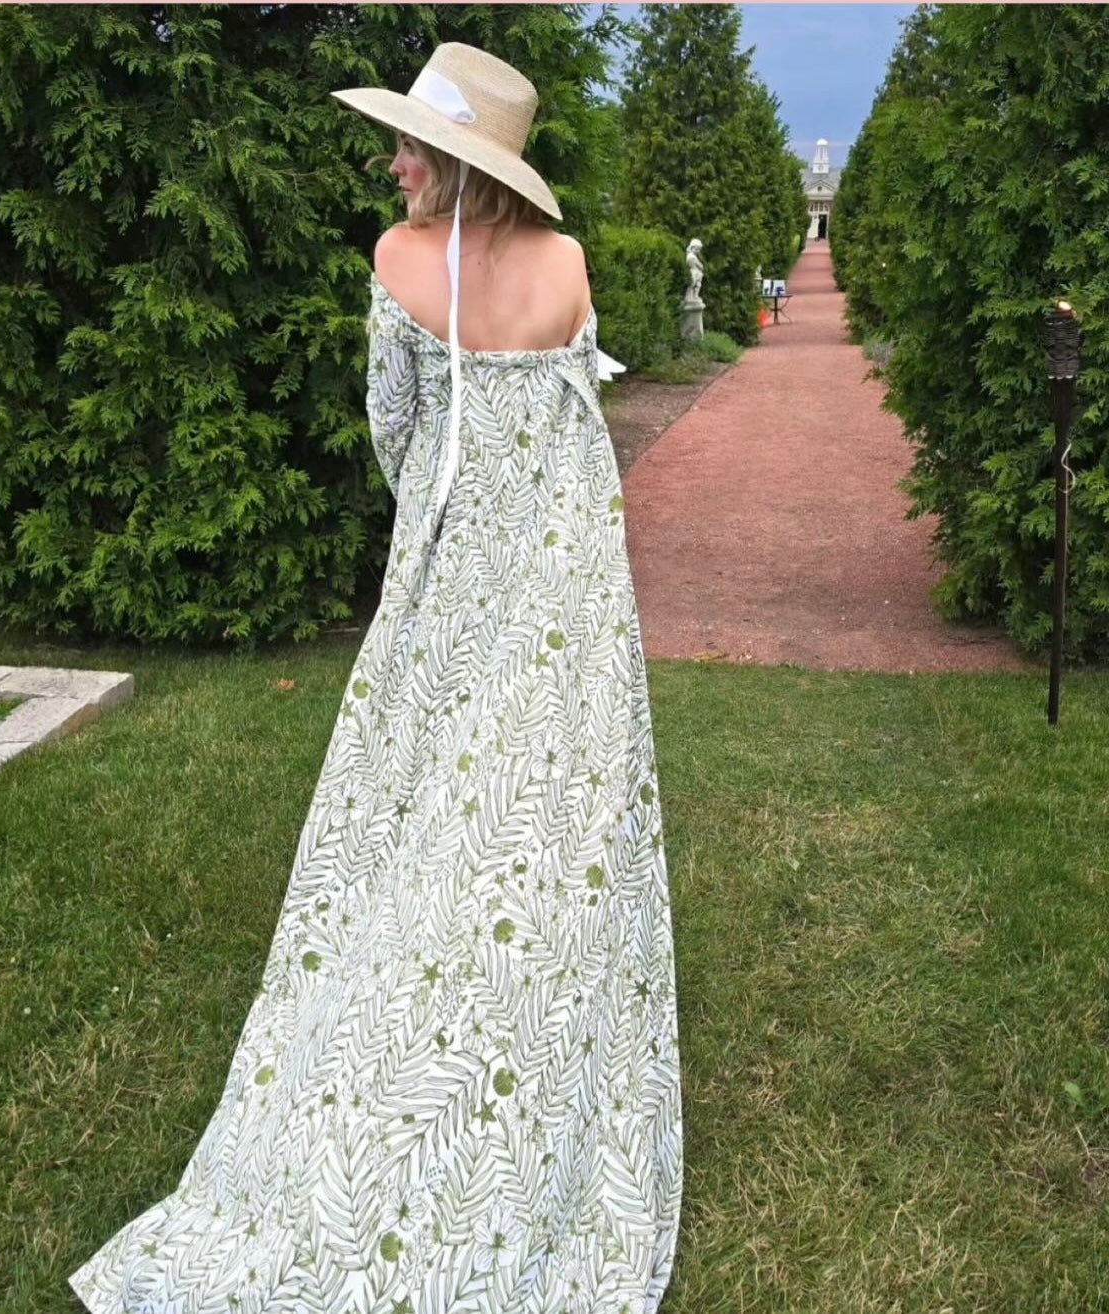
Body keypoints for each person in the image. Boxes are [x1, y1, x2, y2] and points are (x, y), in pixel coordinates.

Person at [68, 41, 682, 1314]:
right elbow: (577, 436)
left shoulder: (398, 264)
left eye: (413, 144)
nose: (394, 161)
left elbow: (397, 431)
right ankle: (519, 1028)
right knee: (548, 820)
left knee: (416, 803)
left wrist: (441, 533)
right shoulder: (569, 266)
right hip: (567, 584)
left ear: (462, 163)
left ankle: (416, 1032)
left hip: (453, 581)